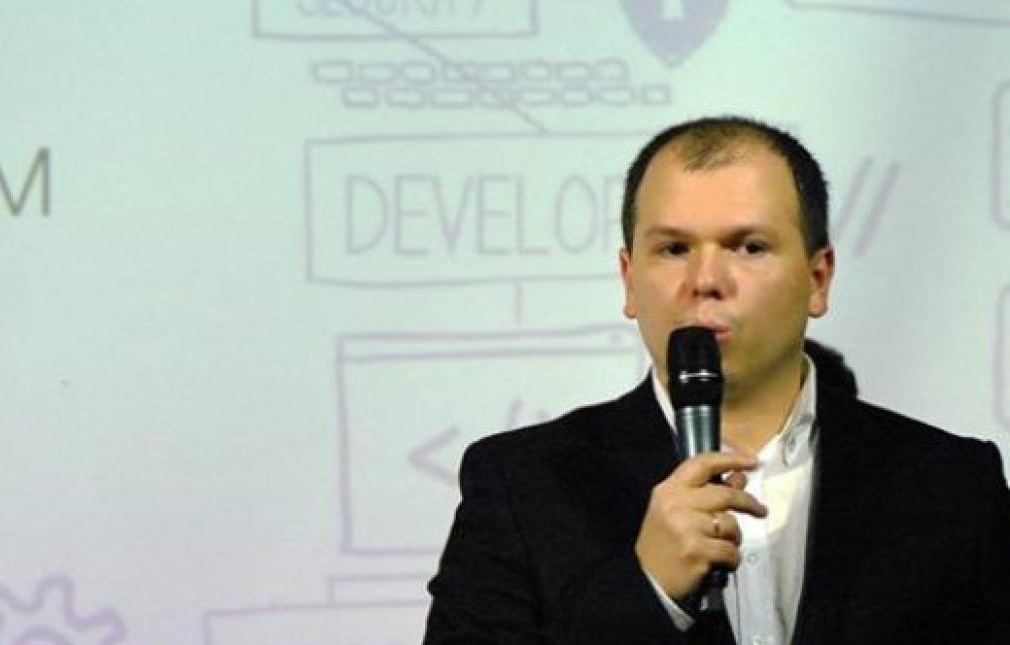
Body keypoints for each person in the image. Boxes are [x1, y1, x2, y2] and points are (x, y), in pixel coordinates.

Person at [422, 116, 1010, 644]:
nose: (706, 279)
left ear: (818, 278)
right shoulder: (523, 485)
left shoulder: (951, 484)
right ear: (629, 280)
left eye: (749, 247)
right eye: (674, 249)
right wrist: (648, 591)